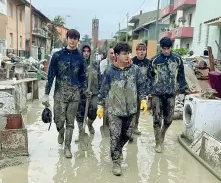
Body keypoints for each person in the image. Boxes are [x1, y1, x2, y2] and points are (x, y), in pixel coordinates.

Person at [97, 42, 147, 176]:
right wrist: (100, 106)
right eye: (124, 53)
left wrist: (143, 100)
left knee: (127, 135)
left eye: (128, 53)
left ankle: (116, 151)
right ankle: (116, 162)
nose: (127, 56)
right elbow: (103, 90)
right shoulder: (110, 71)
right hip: (114, 111)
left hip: (131, 110)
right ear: (117, 55)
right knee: (115, 136)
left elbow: (142, 86)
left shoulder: (135, 70)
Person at [42, 29, 87, 158]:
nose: (72, 40)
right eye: (70, 38)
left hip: (74, 95)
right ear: (67, 39)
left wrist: (85, 90)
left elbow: (82, 77)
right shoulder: (57, 56)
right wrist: (46, 93)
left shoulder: (80, 58)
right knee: (58, 121)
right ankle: (60, 132)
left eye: (75, 38)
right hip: (59, 95)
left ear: (78, 41)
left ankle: (67, 148)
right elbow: (51, 75)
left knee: (70, 123)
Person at [148, 37, 187, 153]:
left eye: (168, 48)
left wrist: (182, 91)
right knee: (156, 120)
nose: (166, 51)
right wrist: (149, 92)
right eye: (164, 48)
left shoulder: (177, 59)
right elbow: (149, 77)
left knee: (169, 119)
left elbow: (181, 75)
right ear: (161, 47)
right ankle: (157, 143)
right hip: (157, 94)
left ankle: (163, 132)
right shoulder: (154, 60)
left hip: (171, 93)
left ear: (171, 48)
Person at [75, 44, 100, 141]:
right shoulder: (78, 63)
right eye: (84, 51)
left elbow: (99, 78)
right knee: (80, 113)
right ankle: (81, 132)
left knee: (93, 110)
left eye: (88, 51)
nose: (86, 53)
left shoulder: (95, 64)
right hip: (81, 93)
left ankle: (90, 124)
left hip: (93, 92)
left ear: (90, 53)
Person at [130, 43, 150, 141]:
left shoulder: (148, 62)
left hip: (142, 90)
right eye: (140, 50)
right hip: (132, 89)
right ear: (136, 51)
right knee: (131, 109)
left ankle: (135, 126)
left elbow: (150, 77)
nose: (142, 51)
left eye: (143, 50)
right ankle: (130, 127)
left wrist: (148, 90)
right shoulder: (132, 61)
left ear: (145, 51)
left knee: (138, 109)